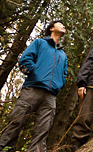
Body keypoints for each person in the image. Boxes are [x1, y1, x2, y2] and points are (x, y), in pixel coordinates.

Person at [0, 21, 67, 152]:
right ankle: (4, 148)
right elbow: (25, 59)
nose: (64, 26)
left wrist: (59, 84)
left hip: (51, 96)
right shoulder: (39, 43)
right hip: (32, 89)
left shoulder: (63, 54)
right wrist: (35, 73)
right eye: (60, 24)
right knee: (16, 120)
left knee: (43, 129)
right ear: (52, 28)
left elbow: (64, 74)